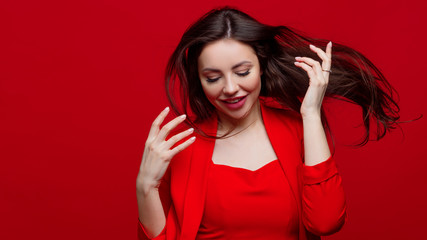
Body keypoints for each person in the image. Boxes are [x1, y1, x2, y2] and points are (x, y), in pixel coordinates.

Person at [136, 7, 400, 240]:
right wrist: (145, 187)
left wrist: (310, 114)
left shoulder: (298, 128)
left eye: (242, 72)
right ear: (199, 80)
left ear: (260, 65)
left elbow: (326, 222)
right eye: (213, 78)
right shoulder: (181, 146)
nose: (230, 88)